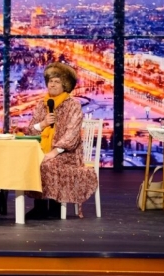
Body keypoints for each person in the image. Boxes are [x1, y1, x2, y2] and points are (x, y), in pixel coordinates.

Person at [25, 62, 98, 219]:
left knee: (47, 164)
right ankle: (39, 207)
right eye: (50, 81)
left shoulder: (73, 105)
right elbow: (30, 130)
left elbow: (72, 134)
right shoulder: (42, 104)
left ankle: (55, 207)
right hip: (43, 149)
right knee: (33, 162)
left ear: (65, 85)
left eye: (57, 81)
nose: (52, 84)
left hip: (67, 153)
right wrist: (43, 124)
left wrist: (54, 151)